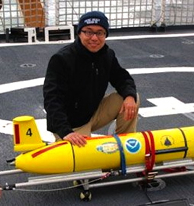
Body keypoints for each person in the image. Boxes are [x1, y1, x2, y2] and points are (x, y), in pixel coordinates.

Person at [43, 11, 139, 147]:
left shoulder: (107, 55)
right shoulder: (62, 59)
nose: (94, 38)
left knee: (131, 98)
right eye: (88, 32)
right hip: (72, 124)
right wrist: (66, 132)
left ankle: (126, 143)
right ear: (79, 33)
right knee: (84, 163)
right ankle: (62, 139)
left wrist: (129, 96)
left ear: (105, 35)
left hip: (94, 112)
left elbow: (122, 77)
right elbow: (52, 99)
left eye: (100, 33)